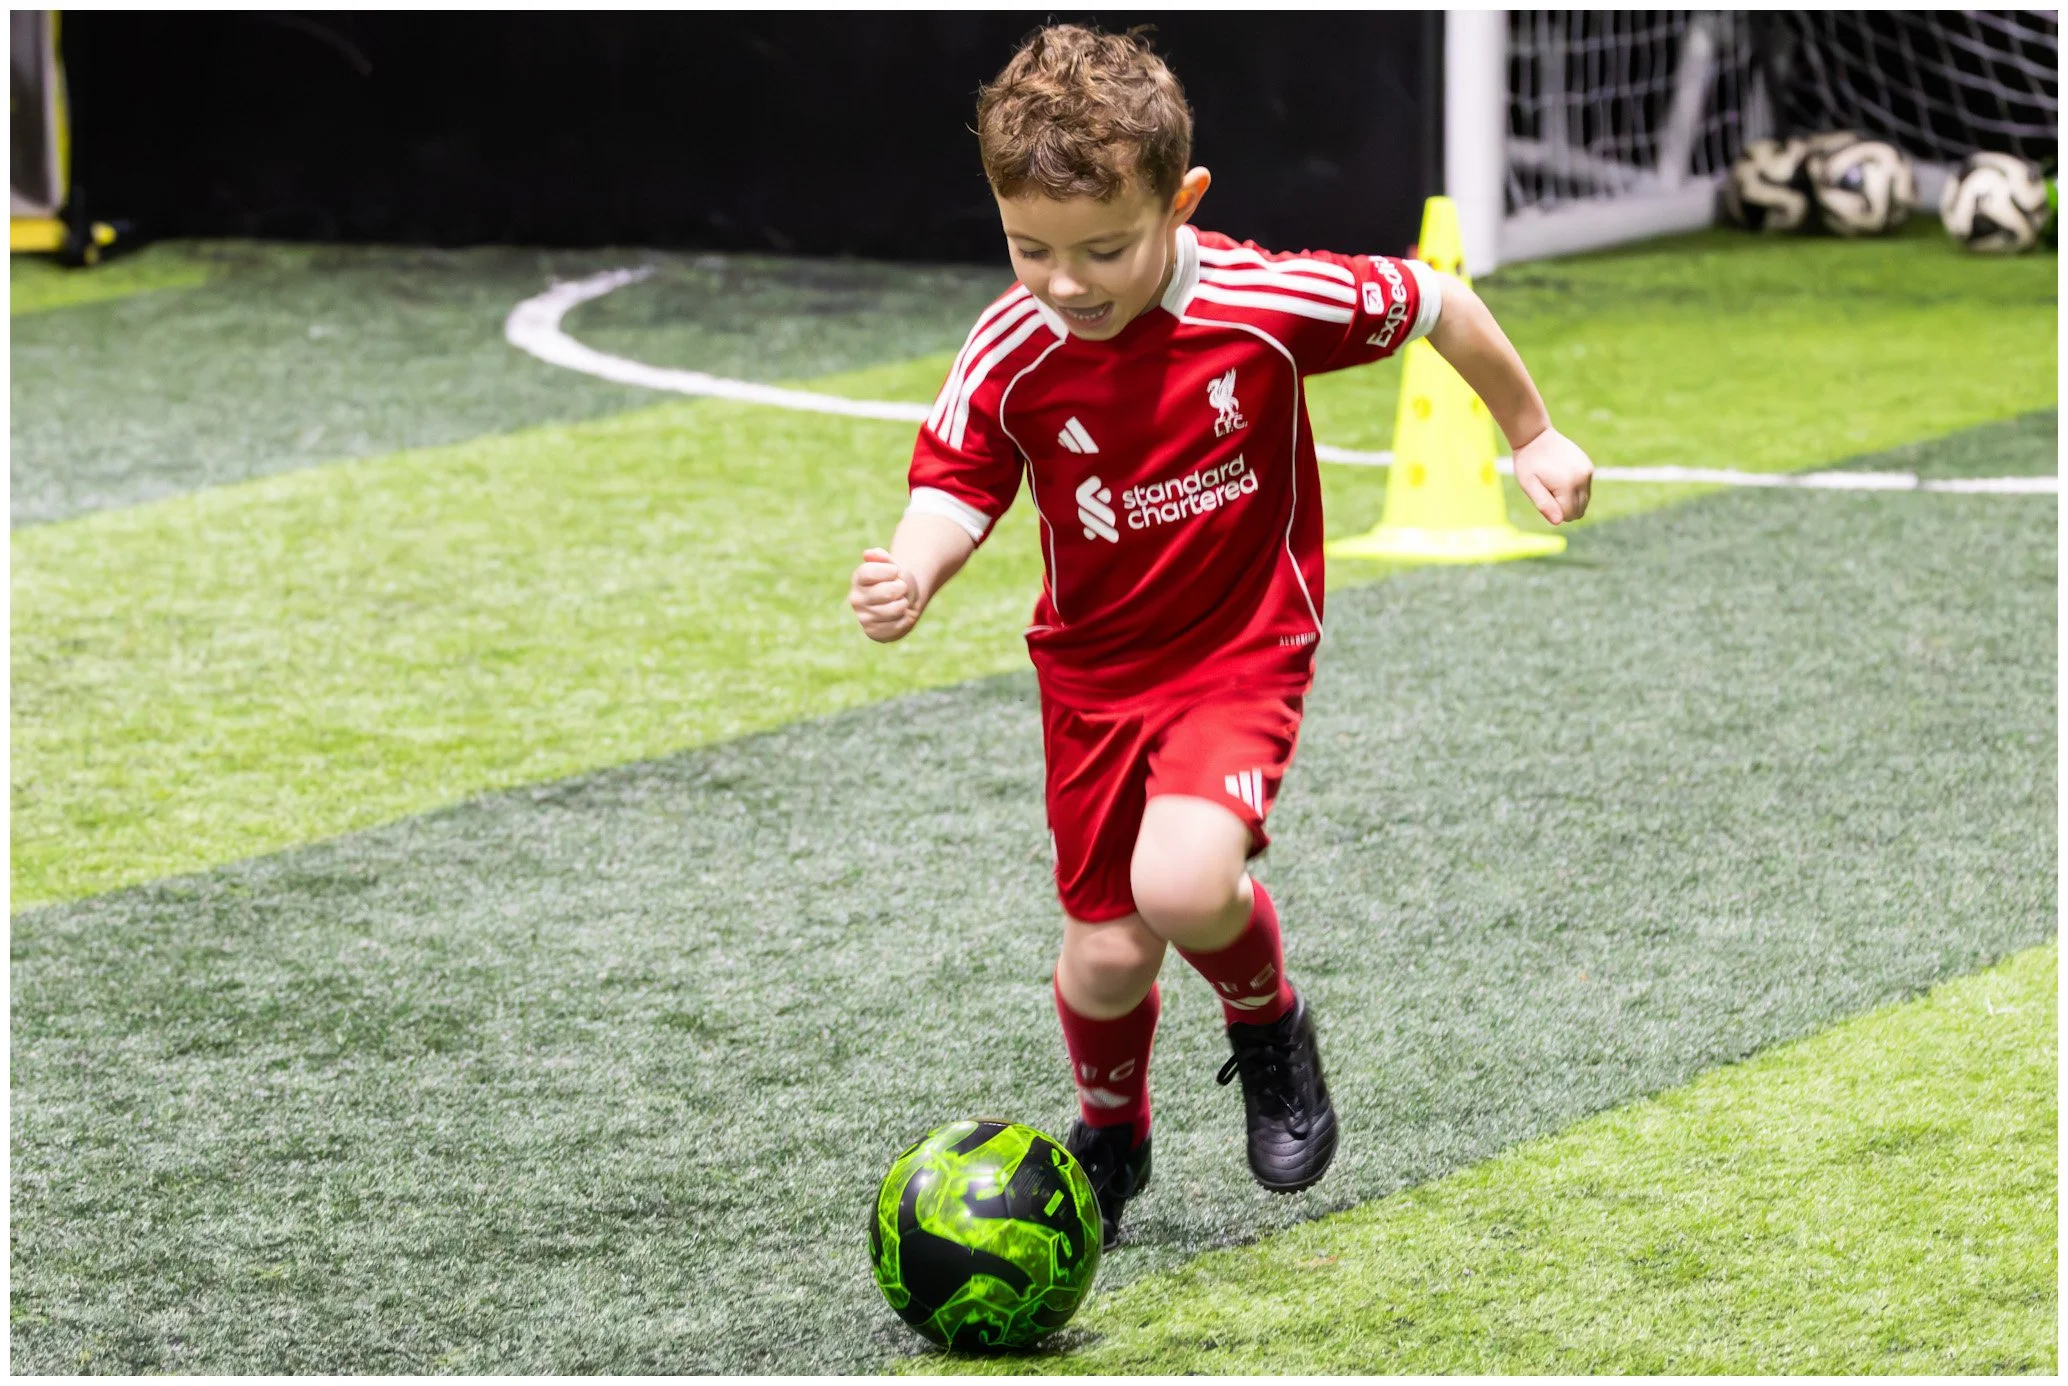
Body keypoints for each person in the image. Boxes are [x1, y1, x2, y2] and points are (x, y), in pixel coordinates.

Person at [847, 23, 1593, 1249]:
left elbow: (1439, 301)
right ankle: (1112, 1131)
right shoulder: (1009, 346)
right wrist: (913, 570)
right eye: (1029, 247)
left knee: (1183, 882)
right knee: (1100, 960)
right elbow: (961, 476)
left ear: (1181, 203)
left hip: (1239, 648)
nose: (1067, 283)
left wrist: (1529, 435)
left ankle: (1267, 1022)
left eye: (1104, 249)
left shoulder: (1259, 305)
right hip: (1088, 677)